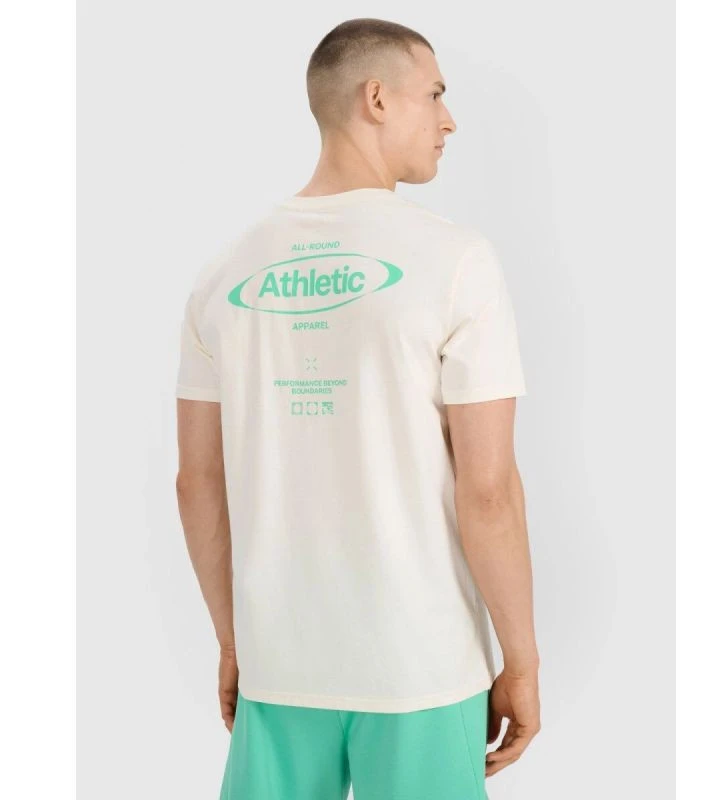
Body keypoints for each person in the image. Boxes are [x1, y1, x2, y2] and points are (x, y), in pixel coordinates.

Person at [175, 17, 541, 800]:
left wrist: (234, 642)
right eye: (434, 94)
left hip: (280, 665)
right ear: (377, 98)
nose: (449, 119)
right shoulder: (456, 261)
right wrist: (522, 661)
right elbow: (487, 491)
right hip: (421, 670)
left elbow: (196, 482)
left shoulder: (223, 274)